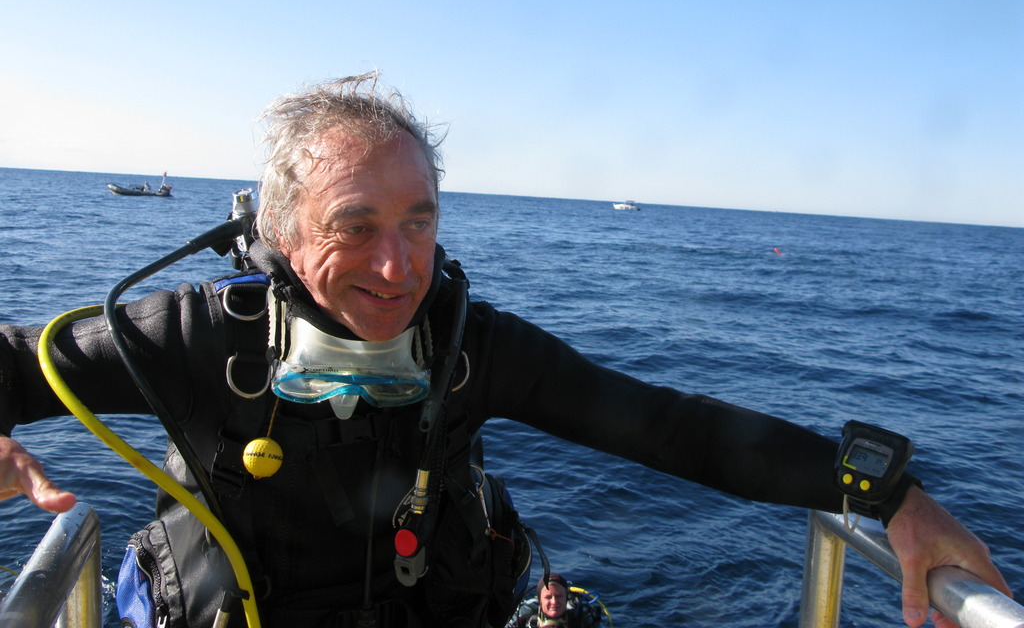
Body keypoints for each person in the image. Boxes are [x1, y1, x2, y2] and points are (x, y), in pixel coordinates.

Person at [0, 73, 1012, 628]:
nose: (397, 266)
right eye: (355, 225)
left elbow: (670, 428)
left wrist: (889, 494)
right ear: (281, 232)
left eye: (420, 222)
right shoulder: (197, 340)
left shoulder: (470, 349)